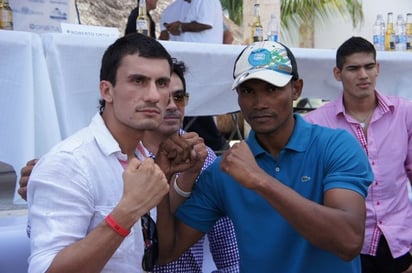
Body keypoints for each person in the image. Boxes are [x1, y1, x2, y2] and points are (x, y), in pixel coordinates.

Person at [155, 40, 374, 273]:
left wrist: (260, 180)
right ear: (238, 95)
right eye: (248, 91)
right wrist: (161, 179)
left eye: (272, 89)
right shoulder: (226, 170)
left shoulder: (335, 146)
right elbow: (166, 252)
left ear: (296, 89)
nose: (260, 103)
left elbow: (349, 241)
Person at [20, 59, 240, 273]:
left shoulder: (203, 158)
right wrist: (43, 192)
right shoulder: (82, 160)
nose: (170, 104)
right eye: (142, 85)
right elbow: (46, 242)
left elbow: (226, 253)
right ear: (108, 92)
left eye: (179, 96)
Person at [304, 36, 412, 273]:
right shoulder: (315, 123)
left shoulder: (404, 112)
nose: (363, 75)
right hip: (346, 246)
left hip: (400, 241)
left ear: (378, 68)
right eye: (353, 68)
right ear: (337, 73)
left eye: (369, 66)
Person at [159, 0, 228, 152]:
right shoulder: (171, 9)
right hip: (178, 67)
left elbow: (206, 23)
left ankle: (212, 143)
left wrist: (181, 26)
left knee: (196, 104)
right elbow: (162, 37)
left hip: (204, 67)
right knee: (185, 103)